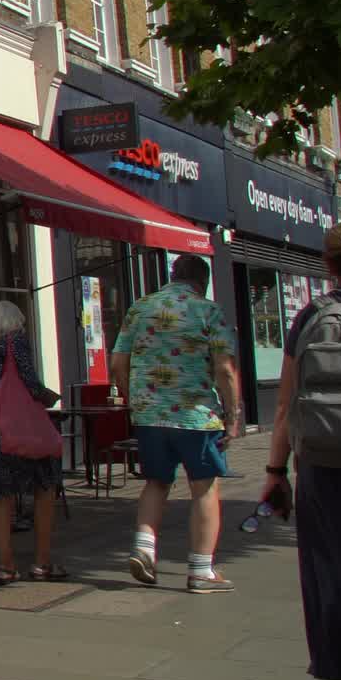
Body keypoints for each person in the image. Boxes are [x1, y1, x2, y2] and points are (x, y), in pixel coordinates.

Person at [110, 254, 242, 594]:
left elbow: (118, 362)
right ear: (203, 280)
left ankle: (143, 547)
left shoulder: (139, 308)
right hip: (195, 416)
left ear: (173, 274)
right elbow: (225, 370)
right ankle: (201, 571)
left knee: (156, 481)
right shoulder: (208, 310)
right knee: (204, 487)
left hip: (150, 415)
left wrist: (132, 399)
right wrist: (233, 415)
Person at [260, 219, 341, 680]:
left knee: (335, 571)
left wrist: (275, 472)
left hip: (324, 463)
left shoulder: (312, 316)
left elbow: (284, 404)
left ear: (328, 265)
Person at [0, 300, 64, 585]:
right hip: (17, 425)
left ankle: (5, 563)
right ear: (14, 324)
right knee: (45, 483)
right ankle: (42, 562)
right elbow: (30, 383)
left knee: (0, 492)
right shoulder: (15, 342)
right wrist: (48, 397)